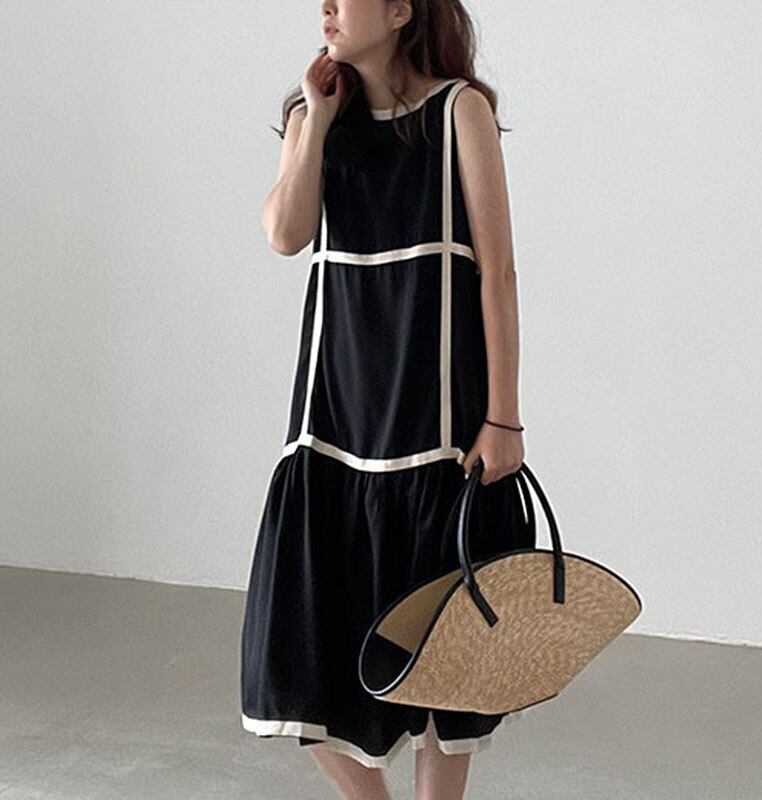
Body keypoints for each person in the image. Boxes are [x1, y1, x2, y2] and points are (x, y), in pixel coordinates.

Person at [241, 1, 529, 798]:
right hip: (333, 420)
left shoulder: (459, 111)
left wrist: (504, 416)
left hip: (437, 424)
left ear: (401, 10)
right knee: (294, 660)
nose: (328, 7)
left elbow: (498, 272)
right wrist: (314, 120)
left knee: (444, 661)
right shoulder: (314, 116)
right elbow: (285, 233)